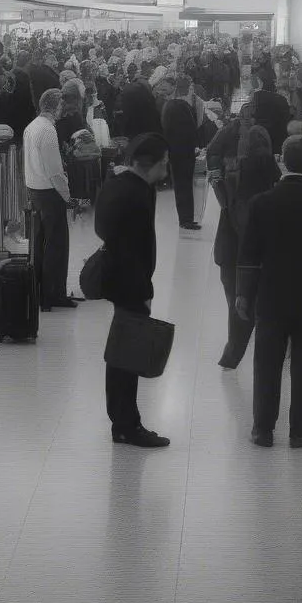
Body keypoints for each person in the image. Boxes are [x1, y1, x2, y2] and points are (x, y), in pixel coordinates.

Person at [236, 135, 302, 448]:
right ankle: (299, 431)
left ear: (283, 160)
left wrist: (243, 293)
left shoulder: (263, 203)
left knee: (267, 362)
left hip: (271, 295)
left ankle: (263, 429)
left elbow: (249, 254)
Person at [95, 132, 171, 447]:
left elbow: (104, 230)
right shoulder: (139, 195)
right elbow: (135, 250)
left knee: (121, 350)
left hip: (117, 278)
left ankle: (123, 421)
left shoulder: (116, 185)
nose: (167, 169)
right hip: (131, 282)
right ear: (150, 165)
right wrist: (144, 289)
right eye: (164, 164)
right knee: (128, 354)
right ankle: (127, 425)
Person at [214, 124, 280, 369]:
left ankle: (232, 356)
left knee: (236, 305)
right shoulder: (274, 179)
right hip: (261, 256)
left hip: (231, 252)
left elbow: (232, 212)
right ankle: (269, 356)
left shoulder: (233, 173)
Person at [23, 88, 75, 310]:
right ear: (55, 106)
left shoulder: (31, 127)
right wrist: (67, 196)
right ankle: (54, 295)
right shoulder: (48, 130)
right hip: (50, 193)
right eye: (62, 105)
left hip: (34, 190)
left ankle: (39, 293)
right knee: (57, 245)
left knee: (38, 245)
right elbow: (55, 171)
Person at [162, 75, 201, 231]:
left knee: (182, 185)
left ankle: (186, 218)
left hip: (176, 150)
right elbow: (192, 128)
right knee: (184, 185)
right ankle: (186, 220)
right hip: (183, 152)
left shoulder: (169, 105)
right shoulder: (180, 106)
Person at [251, 72, 291, 155]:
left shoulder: (255, 98)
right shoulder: (281, 99)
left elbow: (251, 119)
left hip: (261, 140)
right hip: (279, 140)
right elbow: (287, 119)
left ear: (262, 83)